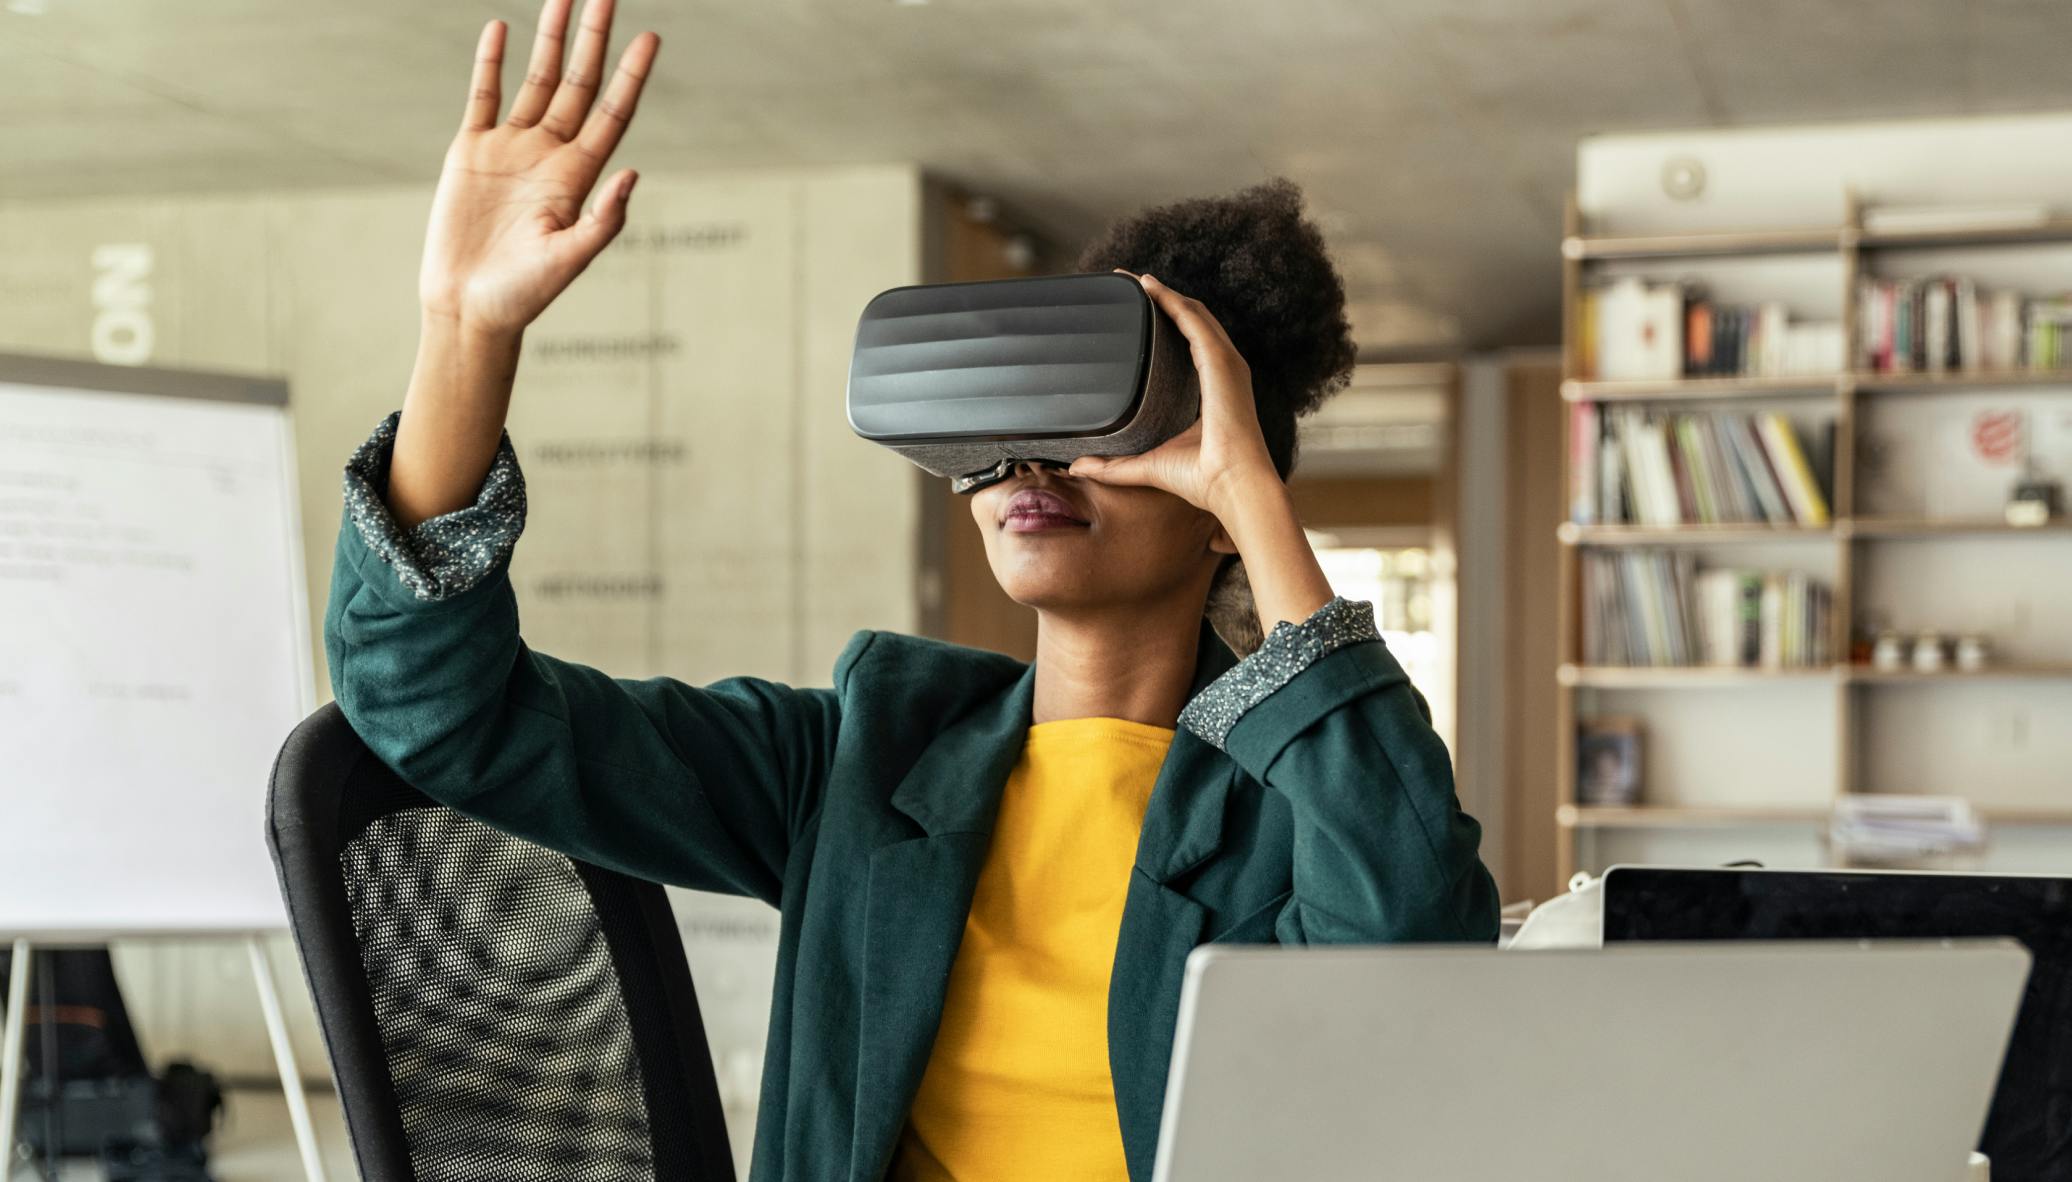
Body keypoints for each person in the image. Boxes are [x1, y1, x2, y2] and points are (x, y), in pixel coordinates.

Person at [324, 1, 1501, 1179]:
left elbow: (1406, 939)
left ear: (1217, 506)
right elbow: (441, 712)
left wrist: (1252, 493)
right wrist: (463, 333)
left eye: (1095, 426)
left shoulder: (1288, 814)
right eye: (1000, 425)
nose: (1029, 465)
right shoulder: (863, 763)